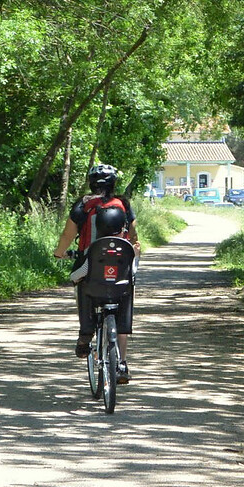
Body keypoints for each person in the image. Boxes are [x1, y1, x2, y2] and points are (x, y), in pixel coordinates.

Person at [53, 164, 139, 383]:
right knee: (125, 294)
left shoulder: (83, 205)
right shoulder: (123, 204)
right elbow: (133, 236)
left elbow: (67, 235)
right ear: (114, 184)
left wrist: (59, 253)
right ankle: (122, 363)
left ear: (91, 184)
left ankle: (85, 333)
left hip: (90, 264)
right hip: (120, 267)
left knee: (80, 282)